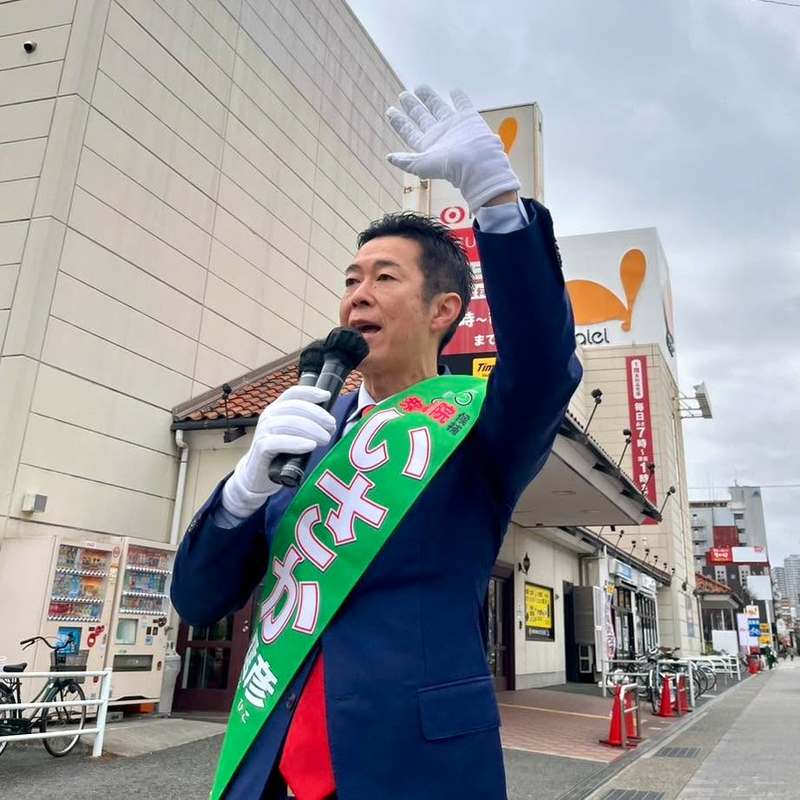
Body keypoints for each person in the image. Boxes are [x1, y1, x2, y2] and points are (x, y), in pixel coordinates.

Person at [171, 85, 581, 800]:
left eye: (384, 278)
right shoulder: (306, 435)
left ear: (443, 310)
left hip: (413, 767)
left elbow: (544, 366)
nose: (357, 294)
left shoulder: (474, 424)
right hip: (270, 770)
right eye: (351, 280)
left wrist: (495, 201)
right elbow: (198, 599)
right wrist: (243, 490)